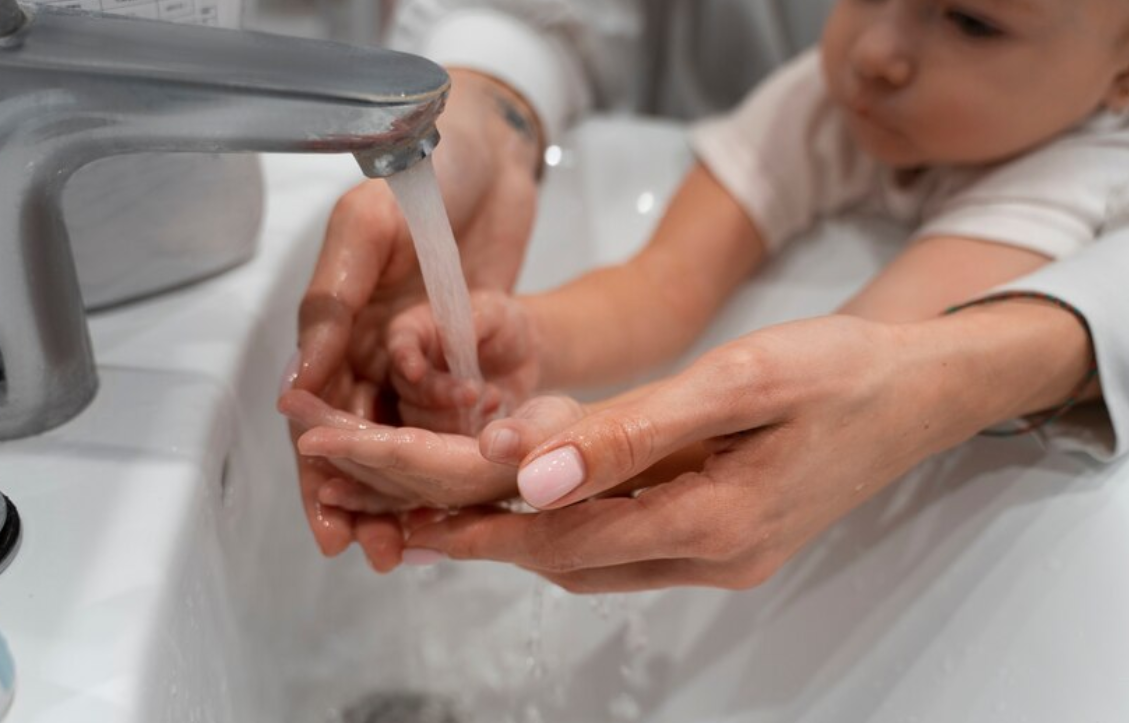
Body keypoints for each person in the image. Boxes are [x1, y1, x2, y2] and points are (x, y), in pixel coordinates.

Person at [282, 0, 1129, 585]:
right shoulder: (833, 99)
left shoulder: (1073, 182)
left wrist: (569, 446)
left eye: (972, 22)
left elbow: (831, 390)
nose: (875, 53)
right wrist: (521, 336)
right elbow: (660, 286)